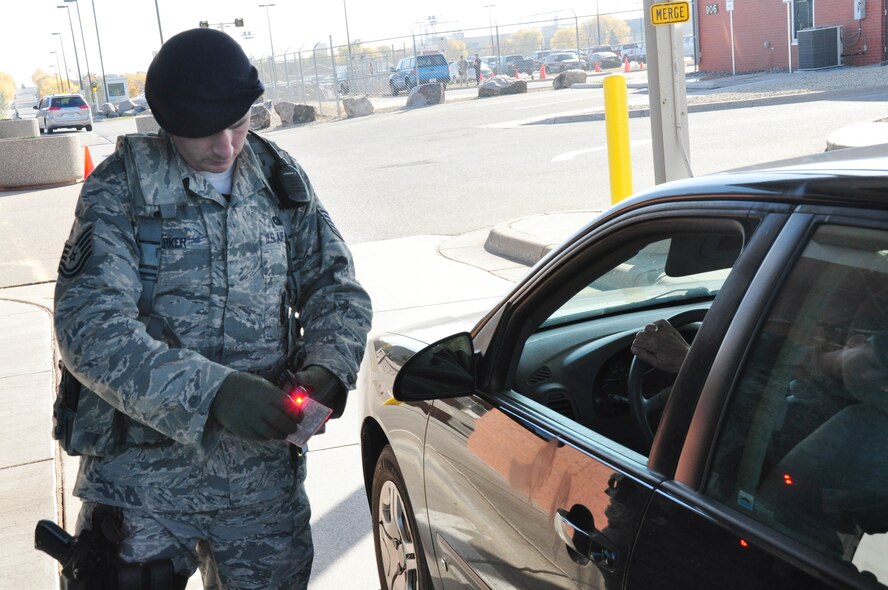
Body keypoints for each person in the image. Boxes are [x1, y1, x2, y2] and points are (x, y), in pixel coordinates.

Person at [52, 28, 372, 589]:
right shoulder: (119, 190)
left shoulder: (276, 178)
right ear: (167, 121)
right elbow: (89, 329)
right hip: (142, 492)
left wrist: (329, 368)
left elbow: (334, 285)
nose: (225, 146)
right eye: (203, 132)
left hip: (260, 490)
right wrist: (215, 393)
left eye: (239, 122)